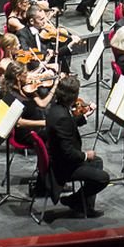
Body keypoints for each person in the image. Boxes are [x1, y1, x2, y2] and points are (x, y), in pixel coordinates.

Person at [43, 74, 108, 218]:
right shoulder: (62, 117)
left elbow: (67, 127)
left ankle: (85, 206)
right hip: (63, 167)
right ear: (73, 96)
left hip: (59, 160)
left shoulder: (55, 108)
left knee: (97, 162)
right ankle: (75, 200)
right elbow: (68, 153)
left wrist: (84, 116)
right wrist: (86, 155)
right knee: (103, 178)